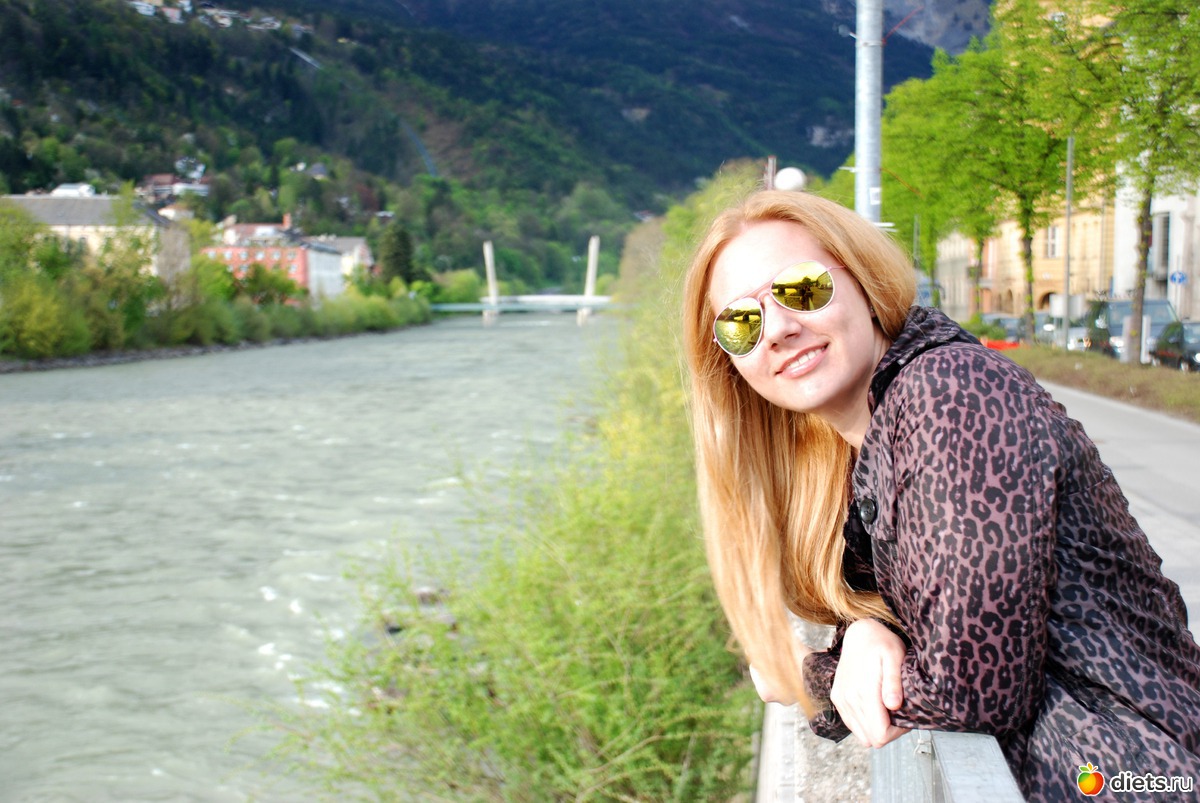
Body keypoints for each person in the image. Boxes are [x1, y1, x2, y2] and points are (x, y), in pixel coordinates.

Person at [680, 188, 1200, 798]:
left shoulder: (948, 394)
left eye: (800, 288)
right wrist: (867, 630)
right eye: (741, 321)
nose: (778, 329)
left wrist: (803, 673)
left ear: (863, 280)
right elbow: (951, 605)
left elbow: (973, 687)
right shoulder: (878, 439)